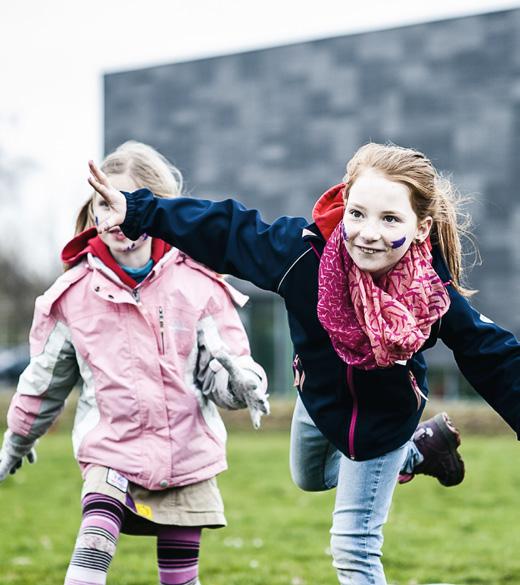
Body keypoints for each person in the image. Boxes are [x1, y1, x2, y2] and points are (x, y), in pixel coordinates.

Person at [88, 142, 520, 584]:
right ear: (345, 204)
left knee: (353, 549)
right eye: (359, 213)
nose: (369, 232)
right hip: (317, 402)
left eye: (390, 219)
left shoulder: (430, 293)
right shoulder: (302, 256)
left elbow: (493, 355)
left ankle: (399, 453)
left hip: (382, 423)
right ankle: (421, 450)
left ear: (420, 225)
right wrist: (140, 209)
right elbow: (230, 231)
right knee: (309, 478)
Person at [0, 141, 269, 585]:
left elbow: (226, 371)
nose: (118, 219)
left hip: (187, 456)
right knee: (89, 561)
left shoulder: (199, 286)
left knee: (180, 579)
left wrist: (242, 384)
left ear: (159, 210)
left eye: (132, 205)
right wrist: (17, 440)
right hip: (111, 452)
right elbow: (43, 383)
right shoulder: (72, 297)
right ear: (92, 214)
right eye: (106, 204)